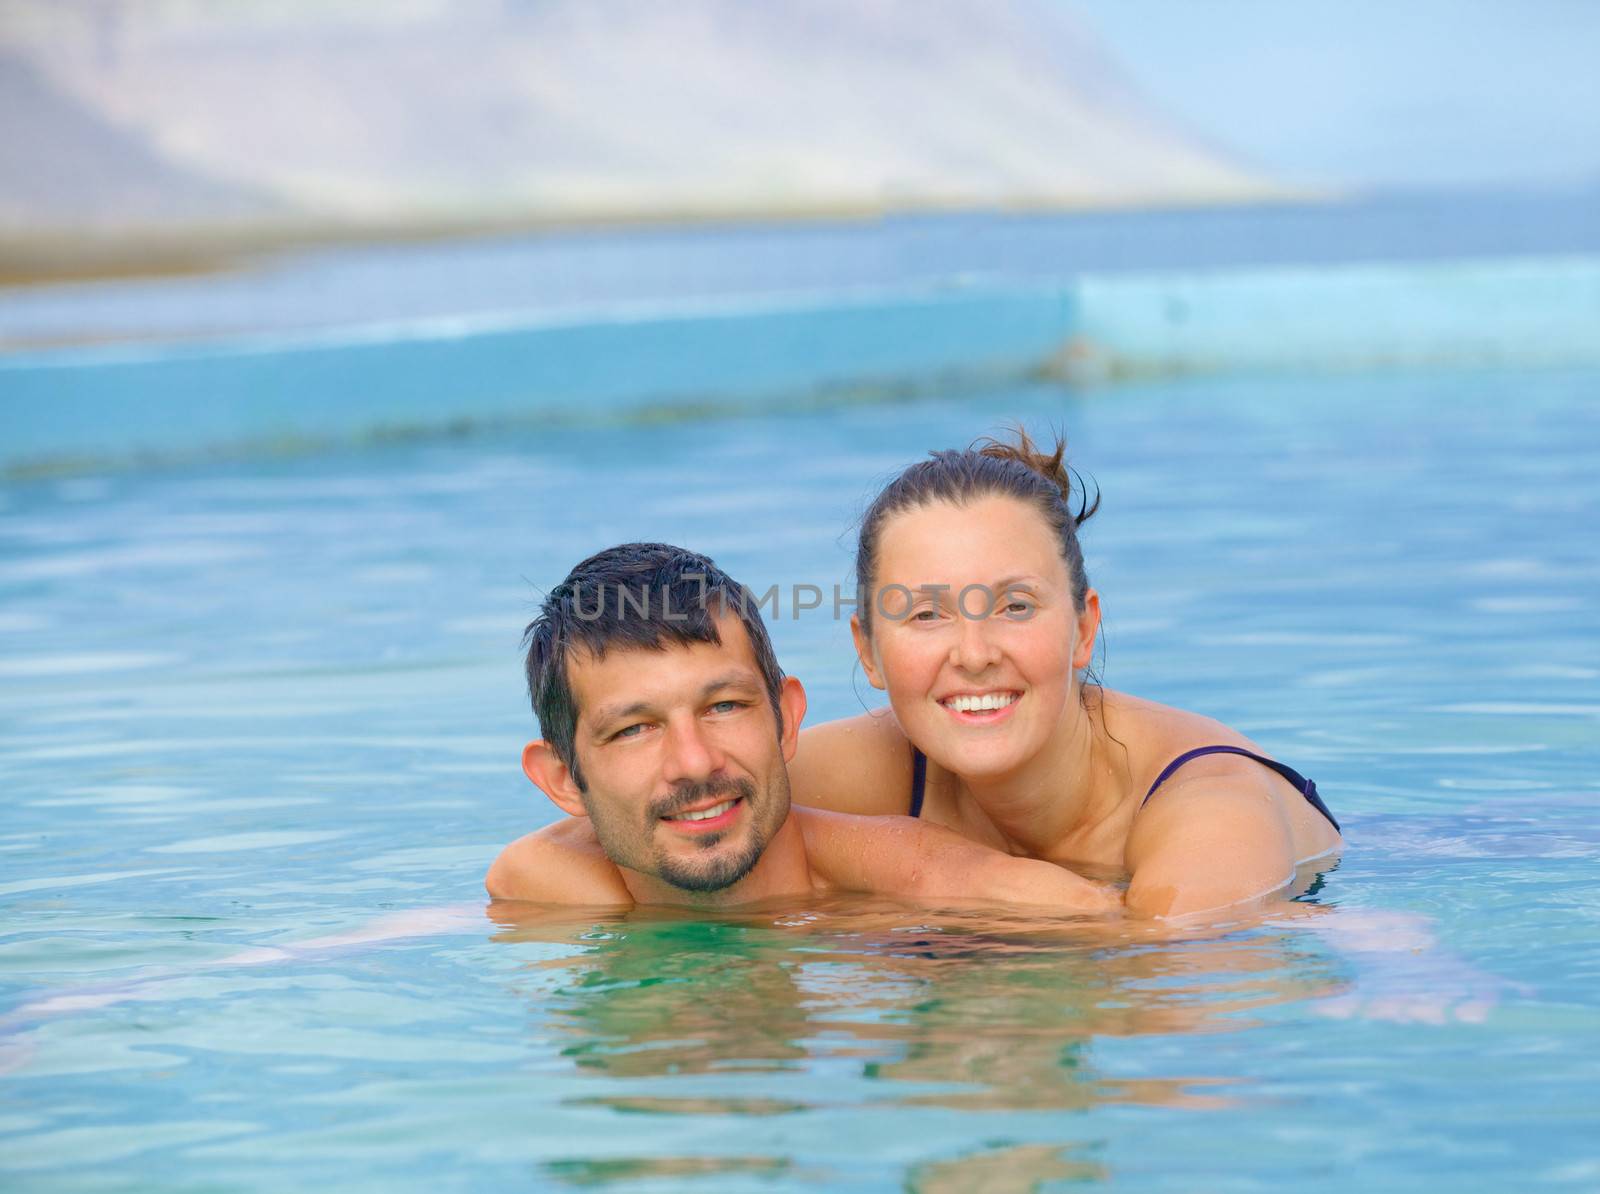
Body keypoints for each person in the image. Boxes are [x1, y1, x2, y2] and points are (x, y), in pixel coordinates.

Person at [787, 429, 1343, 919]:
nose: (974, 655)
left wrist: (935, 879)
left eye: (1016, 606)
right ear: (868, 651)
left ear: (1083, 628)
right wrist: (926, 862)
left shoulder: (1209, 805)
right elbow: (708, 824)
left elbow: (1173, 984)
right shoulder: (879, 768)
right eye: (927, 614)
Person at [485, 542, 1120, 913]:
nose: (695, 762)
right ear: (563, 779)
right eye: (634, 730)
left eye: (724, 707)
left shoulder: (913, 891)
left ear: (788, 719)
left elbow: (1106, 929)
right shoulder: (542, 897)